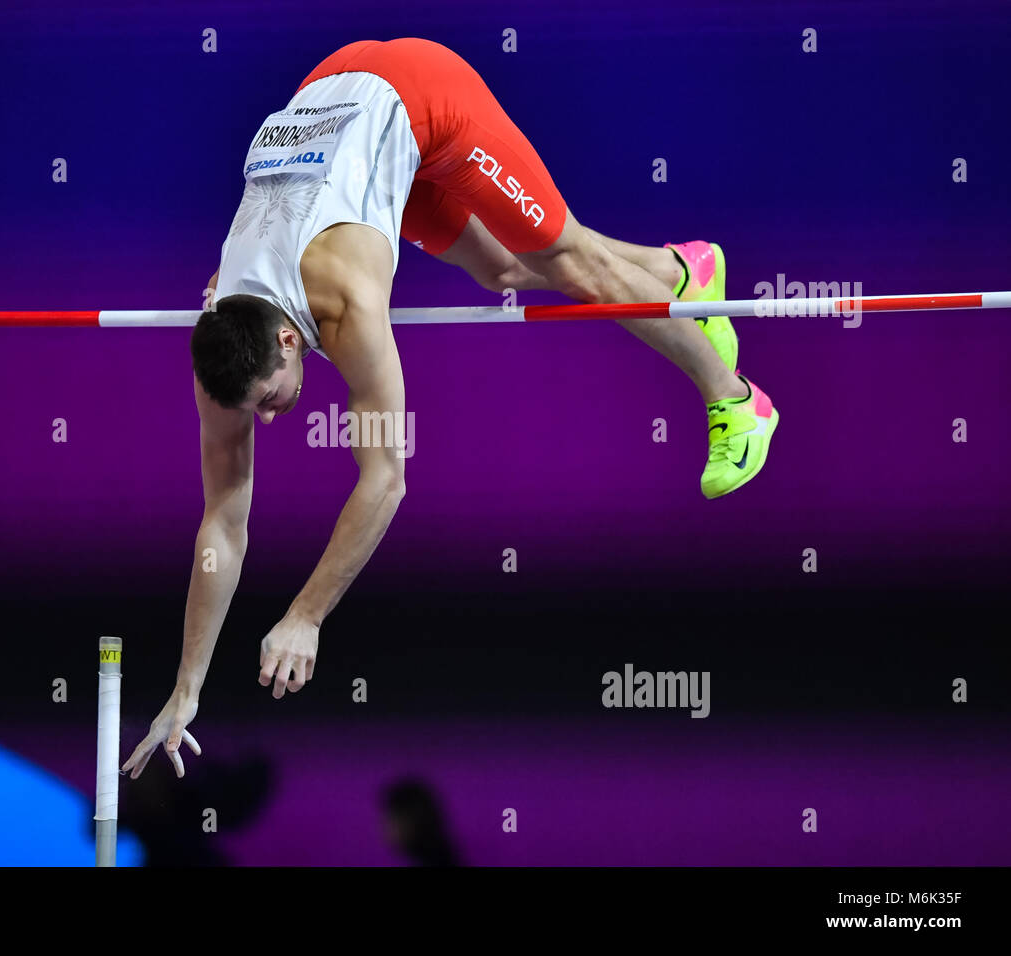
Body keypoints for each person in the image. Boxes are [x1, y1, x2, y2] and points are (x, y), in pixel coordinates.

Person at [124, 38, 778, 779]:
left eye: (272, 397)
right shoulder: (221, 340)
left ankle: (735, 397)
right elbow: (222, 519)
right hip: (331, 113)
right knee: (503, 265)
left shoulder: (347, 307)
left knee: (568, 261)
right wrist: (187, 687)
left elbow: (385, 481)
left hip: (419, 93)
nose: (271, 418)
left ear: (288, 335)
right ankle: (685, 269)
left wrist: (305, 617)